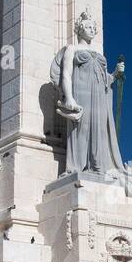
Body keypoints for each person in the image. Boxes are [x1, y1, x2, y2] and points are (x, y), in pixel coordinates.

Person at [51, 11, 126, 178]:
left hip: (99, 96)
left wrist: (115, 74)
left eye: (94, 27)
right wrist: (69, 97)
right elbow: (66, 74)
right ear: (80, 29)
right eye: (89, 27)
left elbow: (106, 80)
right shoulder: (72, 49)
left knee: (100, 129)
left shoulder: (100, 54)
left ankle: (97, 166)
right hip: (81, 93)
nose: (93, 30)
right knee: (81, 128)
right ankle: (76, 167)